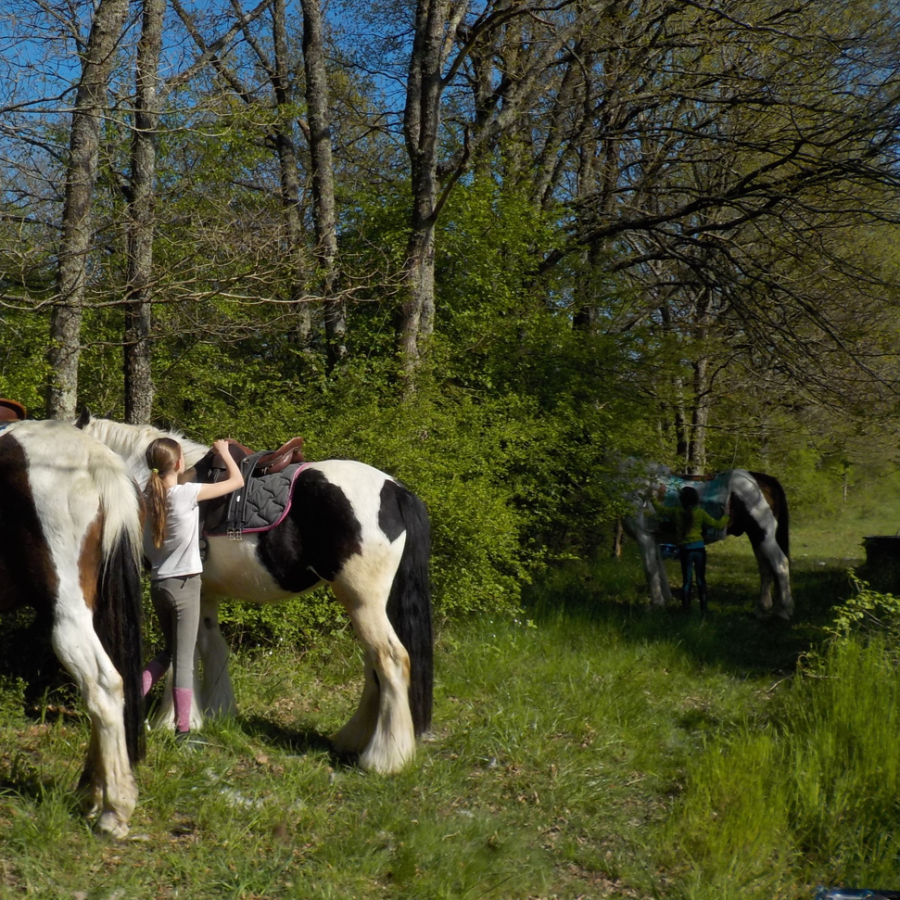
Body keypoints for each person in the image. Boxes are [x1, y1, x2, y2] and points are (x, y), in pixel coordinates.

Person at [141, 437, 244, 745]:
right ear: (179, 464)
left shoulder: (148, 498)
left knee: (169, 653)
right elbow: (236, 482)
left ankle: (129, 699)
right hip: (185, 586)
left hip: (159, 585)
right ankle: (183, 733)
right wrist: (225, 452)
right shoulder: (186, 494)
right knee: (184, 661)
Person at [654, 484, 729, 612]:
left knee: (687, 581)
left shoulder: (676, 512)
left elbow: (659, 510)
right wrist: (726, 515)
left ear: (681, 500)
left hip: (685, 550)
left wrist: (652, 497)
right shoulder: (700, 513)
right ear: (696, 500)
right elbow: (717, 525)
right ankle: (704, 609)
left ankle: (686, 609)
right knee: (701, 579)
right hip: (699, 549)